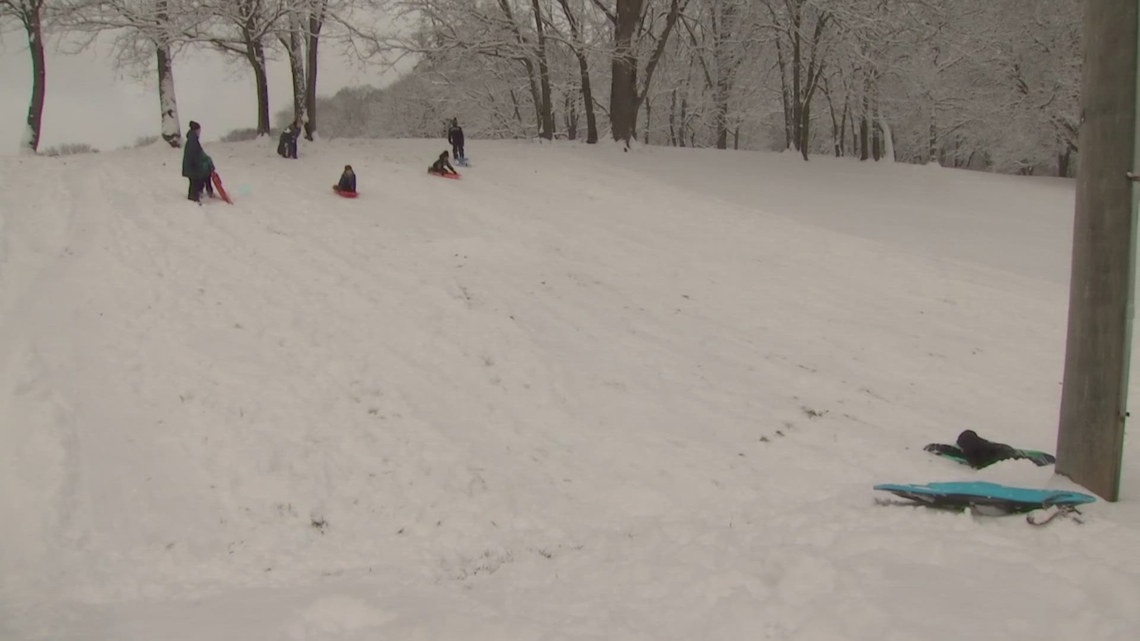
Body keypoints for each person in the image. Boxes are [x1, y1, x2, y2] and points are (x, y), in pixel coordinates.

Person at [181, 120, 212, 202]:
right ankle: (194, 198)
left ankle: (197, 195)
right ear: (195, 130)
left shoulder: (193, 139)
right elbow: (195, 155)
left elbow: (199, 153)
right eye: (199, 130)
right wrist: (200, 165)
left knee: (195, 182)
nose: (199, 132)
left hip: (191, 166)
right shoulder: (193, 140)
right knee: (196, 181)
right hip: (192, 166)